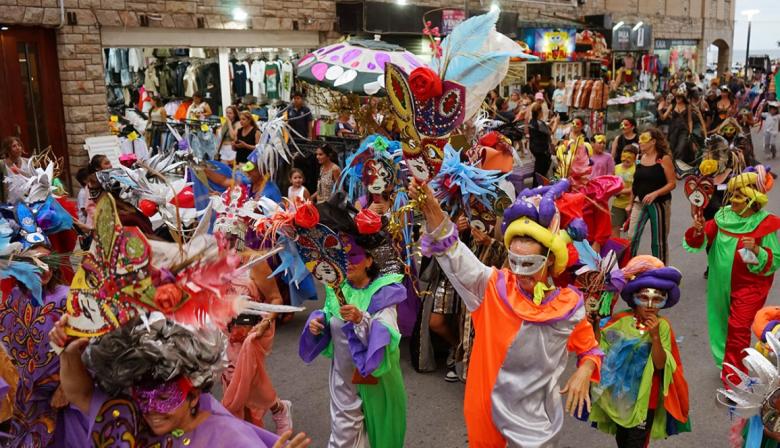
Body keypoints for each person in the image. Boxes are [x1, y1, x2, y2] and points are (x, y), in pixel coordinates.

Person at [408, 179, 602, 447]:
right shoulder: (492, 287)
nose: (520, 272)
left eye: (530, 264)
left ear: (550, 260)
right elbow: (454, 253)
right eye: (515, 261)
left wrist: (584, 370)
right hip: (487, 415)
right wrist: (430, 206)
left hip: (536, 423)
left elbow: (590, 350)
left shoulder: (568, 308)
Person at [49, 315, 310, 448]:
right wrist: (69, 352)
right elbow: (81, 395)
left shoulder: (228, 437)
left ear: (194, 394)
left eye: (164, 399)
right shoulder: (135, 420)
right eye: (143, 398)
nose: (151, 410)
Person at [299, 197, 407, 448]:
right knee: (343, 437)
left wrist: (362, 319)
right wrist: (318, 323)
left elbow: (388, 334)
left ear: (369, 260)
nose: (346, 261)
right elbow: (328, 315)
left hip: (376, 380)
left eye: (354, 256)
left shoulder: (383, 292)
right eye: (342, 255)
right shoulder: (336, 287)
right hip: (343, 382)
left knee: (382, 438)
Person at [683, 167, 780, 386]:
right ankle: (727, 361)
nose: (733, 200)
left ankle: (734, 375)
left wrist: (756, 250)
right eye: (734, 195)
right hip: (720, 283)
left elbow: (775, 260)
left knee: (738, 327)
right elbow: (700, 240)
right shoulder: (723, 217)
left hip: (750, 286)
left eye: (739, 196)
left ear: (752, 200)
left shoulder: (765, 223)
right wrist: (698, 230)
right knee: (720, 323)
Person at [589, 256, 691, 446]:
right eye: (644, 298)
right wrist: (594, 324)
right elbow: (599, 349)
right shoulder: (620, 320)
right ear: (634, 299)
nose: (650, 306)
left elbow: (661, 365)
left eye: (657, 300)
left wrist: (654, 338)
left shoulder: (662, 327)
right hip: (620, 397)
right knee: (622, 440)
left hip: (646, 401)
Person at [0, 245, 87, 447]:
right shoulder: (14, 297)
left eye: (47, 261)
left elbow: (89, 345)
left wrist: (66, 388)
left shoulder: (68, 298)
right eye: (32, 262)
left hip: (67, 396)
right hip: (30, 398)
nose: (42, 268)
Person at [221, 261, 293, 435]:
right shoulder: (214, 260)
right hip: (223, 334)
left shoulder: (255, 263)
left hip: (250, 335)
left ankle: (277, 411)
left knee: (245, 380)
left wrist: (264, 323)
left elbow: (276, 299)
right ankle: (267, 417)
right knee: (234, 381)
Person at [627, 129, 676, 264]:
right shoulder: (639, 158)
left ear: (653, 141)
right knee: (632, 237)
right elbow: (635, 183)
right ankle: (628, 269)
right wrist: (630, 203)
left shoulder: (663, 158)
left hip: (659, 204)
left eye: (644, 139)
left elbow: (672, 184)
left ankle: (661, 271)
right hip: (640, 202)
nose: (639, 142)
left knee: (658, 241)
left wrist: (655, 193)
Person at [611, 144, 638, 238]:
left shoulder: (637, 169)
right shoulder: (616, 168)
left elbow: (635, 187)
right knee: (614, 228)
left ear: (634, 158)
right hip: (617, 204)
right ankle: (617, 250)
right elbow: (612, 183)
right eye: (624, 156)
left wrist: (621, 191)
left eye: (629, 157)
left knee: (632, 231)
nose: (625, 160)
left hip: (633, 205)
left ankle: (629, 250)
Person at [527, 103, 556, 186]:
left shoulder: (532, 121)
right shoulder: (540, 124)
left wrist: (551, 122)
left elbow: (544, 128)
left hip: (535, 149)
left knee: (538, 169)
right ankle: (536, 188)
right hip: (542, 150)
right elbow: (551, 132)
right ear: (540, 112)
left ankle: (537, 187)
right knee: (540, 172)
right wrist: (556, 122)